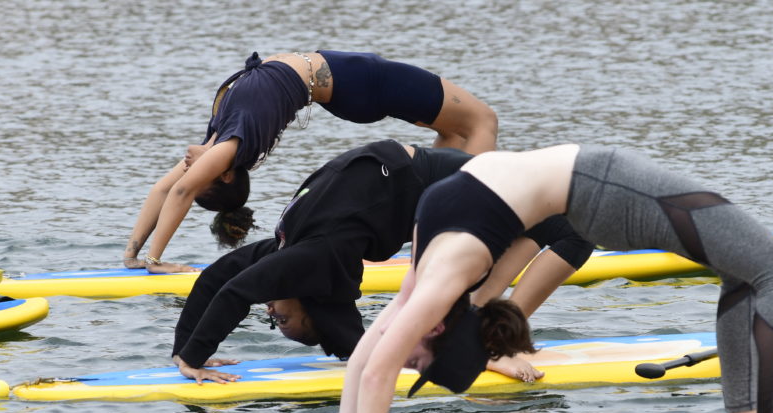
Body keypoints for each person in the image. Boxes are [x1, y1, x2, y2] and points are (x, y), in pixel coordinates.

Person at [336, 144, 773, 413]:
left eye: (417, 362)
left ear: (436, 331)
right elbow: (373, 359)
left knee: (761, 271)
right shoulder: (441, 279)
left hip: (606, 187)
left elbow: (373, 364)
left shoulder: (439, 280)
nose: (406, 359)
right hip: (599, 190)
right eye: (418, 364)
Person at [169, 140, 592, 386]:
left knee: (561, 224)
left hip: (425, 177)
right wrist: (187, 353)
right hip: (431, 187)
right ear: (313, 305)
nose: (270, 311)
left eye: (277, 321)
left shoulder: (296, 255)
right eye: (280, 321)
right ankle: (485, 342)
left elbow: (226, 285)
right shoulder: (304, 259)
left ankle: (489, 342)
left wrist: (189, 355)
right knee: (569, 229)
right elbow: (364, 350)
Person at [123, 51, 499, 274]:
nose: (187, 165)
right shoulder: (231, 148)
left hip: (348, 83)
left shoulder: (217, 139)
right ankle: (473, 229)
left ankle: (439, 231)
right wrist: (157, 260)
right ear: (222, 175)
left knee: (452, 137)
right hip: (363, 82)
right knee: (482, 120)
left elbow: (166, 187)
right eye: (197, 170)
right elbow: (183, 191)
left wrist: (133, 255)